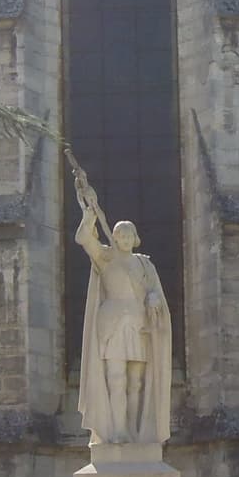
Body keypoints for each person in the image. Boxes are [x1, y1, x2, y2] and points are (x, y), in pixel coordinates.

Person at [74, 168, 172, 446]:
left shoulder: (145, 263)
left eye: (129, 236)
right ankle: (117, 431)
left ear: (135, 239)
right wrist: (90, 214)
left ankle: (135, 431)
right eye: (121, 235)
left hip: (138, 324)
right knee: (114, 378)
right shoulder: (105, 258)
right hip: (112, 324)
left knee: (136, 382)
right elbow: (84, 239)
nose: (125, 239)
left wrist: (153, 298)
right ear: (115, 238)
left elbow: (155, 291)